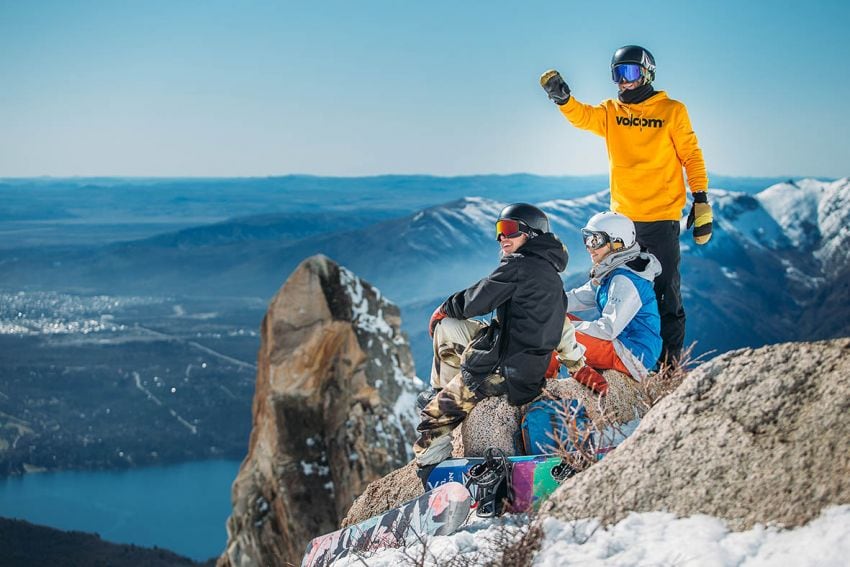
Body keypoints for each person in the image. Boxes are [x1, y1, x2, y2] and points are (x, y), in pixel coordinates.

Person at [540, 45, 713, 364]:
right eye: (617, 74)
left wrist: (700, 199)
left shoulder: (672, 110)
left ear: (648, 73)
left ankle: (669, 368)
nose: (624, 81)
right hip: (623, 223)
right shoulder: (611, 112)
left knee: (665, 293)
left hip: (661, 218)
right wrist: (563, 100)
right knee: (614, 288)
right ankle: (626, 358)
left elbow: (691, 155)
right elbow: (584, 117)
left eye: (631, 72)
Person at [414, 203, 584, 466]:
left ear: (531, 234)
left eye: (509, 229)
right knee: (449, 327)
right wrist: (577, 365)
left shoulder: (519, 267)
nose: (502, 237)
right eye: (499, 230)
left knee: (432, 419)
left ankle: (432, 465)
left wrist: (443, 308)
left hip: (502, 372)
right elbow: (563, 326)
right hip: (523, 368)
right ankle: (442, 389)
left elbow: (477, 300)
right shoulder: (549, 273)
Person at [565, 211, 663, 394]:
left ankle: (542, 388)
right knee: (548, 318)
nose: (589, 247)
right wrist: (539, 304)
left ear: (617, 243)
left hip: (634, 354)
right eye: (587, 239)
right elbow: (577, 297)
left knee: (549, 331)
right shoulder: (611, 271)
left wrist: (564, 328)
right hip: (623, 345)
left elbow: (607, 330)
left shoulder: (625, 280)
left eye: (595, 240)